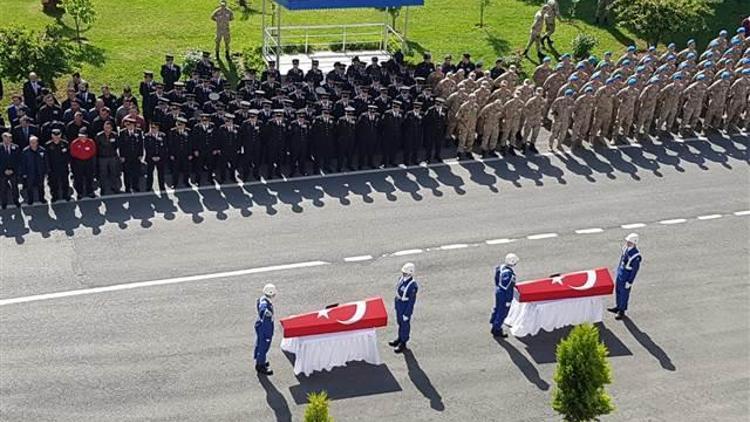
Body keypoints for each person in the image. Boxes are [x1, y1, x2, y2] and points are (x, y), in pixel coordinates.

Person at [608, 233, 642, 320]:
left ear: (634, 243)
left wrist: (630, 282)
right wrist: (618, 269)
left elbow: (634, 270)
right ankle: (618, 306)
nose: (627, 243)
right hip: (621, 273)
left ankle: (622, 310)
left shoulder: (636, 256)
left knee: (624, 294)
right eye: (627, 241)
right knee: (618, 291)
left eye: (629, 242)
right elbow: (622, 260)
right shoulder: (625, 248)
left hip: (626, 276)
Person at [389, 263, 418, 353]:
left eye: (405, 273)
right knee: (400, 323)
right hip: (399, 304)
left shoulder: (412, 286)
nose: (404, 274)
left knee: (405, 325)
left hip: (405, 306)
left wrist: (407, 313)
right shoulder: (401, 279)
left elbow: (411, 302)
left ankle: (403, 342)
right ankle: (399, 338)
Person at [490, 253, 519, 338]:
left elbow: (497, 279)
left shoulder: (501, 267)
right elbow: (506, 287)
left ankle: (494, 322)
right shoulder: (509, 274)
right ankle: (497, 329)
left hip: (498, 291)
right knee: (502, 312)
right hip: (504, 294)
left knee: (497, 308)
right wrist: (508, 300)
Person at [255, 283, 276, 375]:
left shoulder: (262, 299)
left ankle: (259, 360)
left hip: (260, 325)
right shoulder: (266, 306)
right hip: (265, 328)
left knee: (259, 344)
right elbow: (266, 318)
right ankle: (260, 365)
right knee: (263, 347)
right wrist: (268, 335)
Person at [45, 128, 72, 202]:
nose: (56, 137)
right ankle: (54, 196)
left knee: (65, 182)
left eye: (58, 135)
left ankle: (65, 195)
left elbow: (68, 156)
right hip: (53, 168)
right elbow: (46, 158)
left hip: (63, 167)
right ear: (52, 136)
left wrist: (68, 165)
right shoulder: (48, 145)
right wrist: (48, 168)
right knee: (53, 183)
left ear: (60, 135)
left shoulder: (65, 144)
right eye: (54, 135)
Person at [70, 128, 97, 199]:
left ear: (86, 136)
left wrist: (86, 156)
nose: (82, 138)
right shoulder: (74, 143)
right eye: (80, 136)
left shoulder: (91, 142)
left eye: (83, 136)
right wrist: (81, 156)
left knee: (89, 177)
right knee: (78, 178)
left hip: (88, 161)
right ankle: (80, 192)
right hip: (78, 162)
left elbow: (93, 151)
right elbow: (73, 153)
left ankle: (90, 191)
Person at [95, 120, 121, 194]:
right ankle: (103, 188)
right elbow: (97, 147)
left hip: (112, 157)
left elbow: (117, 145)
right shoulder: (99, 136)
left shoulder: (115, 135)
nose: (107, 129)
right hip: (102, 158)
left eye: (109, 128)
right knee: (103, 174)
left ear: (111, 128)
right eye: (106, 127)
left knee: (114, 173)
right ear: (103, 127)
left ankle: (114, 187)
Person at [20, 136, 47, 205]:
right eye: (31, 142)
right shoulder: (25, 151)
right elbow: (23, 163)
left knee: (41, 186)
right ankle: (30, 199)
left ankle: (42, 198)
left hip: (40, 172)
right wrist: (24, 173)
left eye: (34, 142)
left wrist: (46, 171)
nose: (33, 144)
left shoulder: (42, 150)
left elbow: (46, 161)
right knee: (29, 187)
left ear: (37, 142)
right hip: (30, 172)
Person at [144, 121, 168, 192]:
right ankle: (149, 186)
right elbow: (147, 148)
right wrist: (152, 157)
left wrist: (160, 156)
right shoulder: (147, 136)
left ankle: (162, 186)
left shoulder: (163, 135)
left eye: (154, 128)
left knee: (161, 173)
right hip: (150, 158)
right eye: (151, 127)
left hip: (160, 158)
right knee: (149, 173)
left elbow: (164, 148)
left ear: (157, 128)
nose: (152, 129)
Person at [0, 132, 22, 209]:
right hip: (2, 173)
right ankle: (4, 203)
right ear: (2, 139)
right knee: (3, 188)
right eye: (5, 139)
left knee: (15, 188)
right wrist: (4, 171)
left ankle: (16, 201)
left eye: (9, 139)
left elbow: (18, 161)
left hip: (13, 172)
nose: (7, 141)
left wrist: (13, 170)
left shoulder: (16, 147)